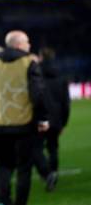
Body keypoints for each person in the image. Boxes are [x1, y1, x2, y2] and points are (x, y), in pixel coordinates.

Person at [0, 30, 49, 205]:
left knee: (3, 168)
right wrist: (42, 119)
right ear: (18, 44)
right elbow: (38, 95)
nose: (29, 45)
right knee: (24, 170)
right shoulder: (29, 63)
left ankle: (3, 201)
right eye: (26, 42)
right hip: (24, 126)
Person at [33, 47, 71, 191]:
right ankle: (53, 174)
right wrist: (64, 122)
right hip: (56, 120)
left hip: (39, 118)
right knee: (53, 148)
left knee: (36, 148)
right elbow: (66, 103)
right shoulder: (61, 76)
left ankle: (46, 173)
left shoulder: (35, 72)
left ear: (41, 57)